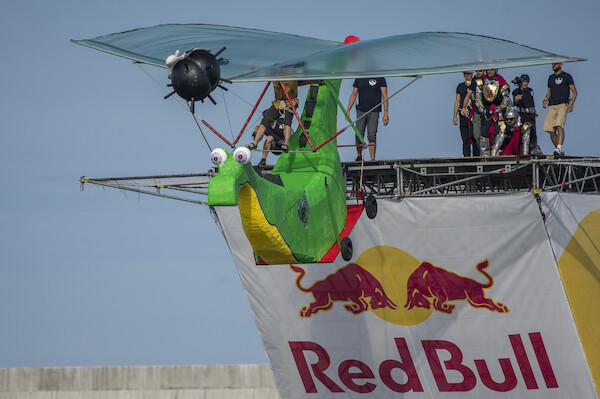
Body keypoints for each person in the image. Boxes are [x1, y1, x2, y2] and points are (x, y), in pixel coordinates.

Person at [248, 80, 313, 153]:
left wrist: (313, 81)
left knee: (287, 122)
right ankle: (255, 143)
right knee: (265, 120)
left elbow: (300, 82)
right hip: (278, 103)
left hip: (291, 101)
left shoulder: (292, 77)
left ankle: (285, 144)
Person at [346, 78, 389, 161]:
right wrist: (348, 110)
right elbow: (354, 94)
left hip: (374, 111)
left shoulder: (380, 79)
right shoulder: (359, 78)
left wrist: (386, 113)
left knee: (372, 135)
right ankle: (359, 156)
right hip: (361, 110)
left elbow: (385, 95)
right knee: (359, 134)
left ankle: (372, 159)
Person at [542, 63, 577, 157]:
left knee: (559, 125)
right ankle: (558, 149)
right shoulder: (550, 77)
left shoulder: (567, 76)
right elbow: (549, 91)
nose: (553, 65)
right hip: (552, 105)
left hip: (562, 104)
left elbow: (574, 91)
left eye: (555, 64)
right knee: (550, 129)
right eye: (552, 64)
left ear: (560, 65)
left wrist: (571, 103)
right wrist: (545, 99)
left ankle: (559, 147)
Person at [474, 68, 511, 156]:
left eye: (491, 69)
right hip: (486, 110)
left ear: (495, 70)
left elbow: (506, 98)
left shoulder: (501, 82)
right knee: (484, 133)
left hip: (497, 112)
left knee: (498, 132)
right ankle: (484, 155)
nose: (489, 71)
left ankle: (496, 152)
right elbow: (478, 97)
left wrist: (501, 107)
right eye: (488, 70)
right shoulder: (481, 82)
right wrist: (480, 106)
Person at [512, 74, 540, 155]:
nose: (525, 83)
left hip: (529, 115)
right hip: (520, 115)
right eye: (523, 81)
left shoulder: (530, 91)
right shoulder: (516, 91)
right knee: (521, 131)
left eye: (526, 82)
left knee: (532, 131)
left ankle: (532, 147)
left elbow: (531, 102)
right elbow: (516, 101)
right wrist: (517, 99)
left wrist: (534, 111)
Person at [462, 70, 485, 156]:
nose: (478, 72)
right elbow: (468, 94)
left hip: (489, 111)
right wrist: (464, 107)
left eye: (480, 71)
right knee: (476, 135)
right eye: (477, 71)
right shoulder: (474, 81)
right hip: (477, 111)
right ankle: (481, 153)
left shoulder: (487, 80)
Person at [453, 71, 475, 156]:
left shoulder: (475, 84)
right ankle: (467, 157)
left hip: (473, 113)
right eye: (464, 74)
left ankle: (476, 156)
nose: (466, 75)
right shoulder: (460, 86)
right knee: (465, 137)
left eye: (468, 74)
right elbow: (457, 101)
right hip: (463, 114)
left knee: (474, 136)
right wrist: (454, 116)